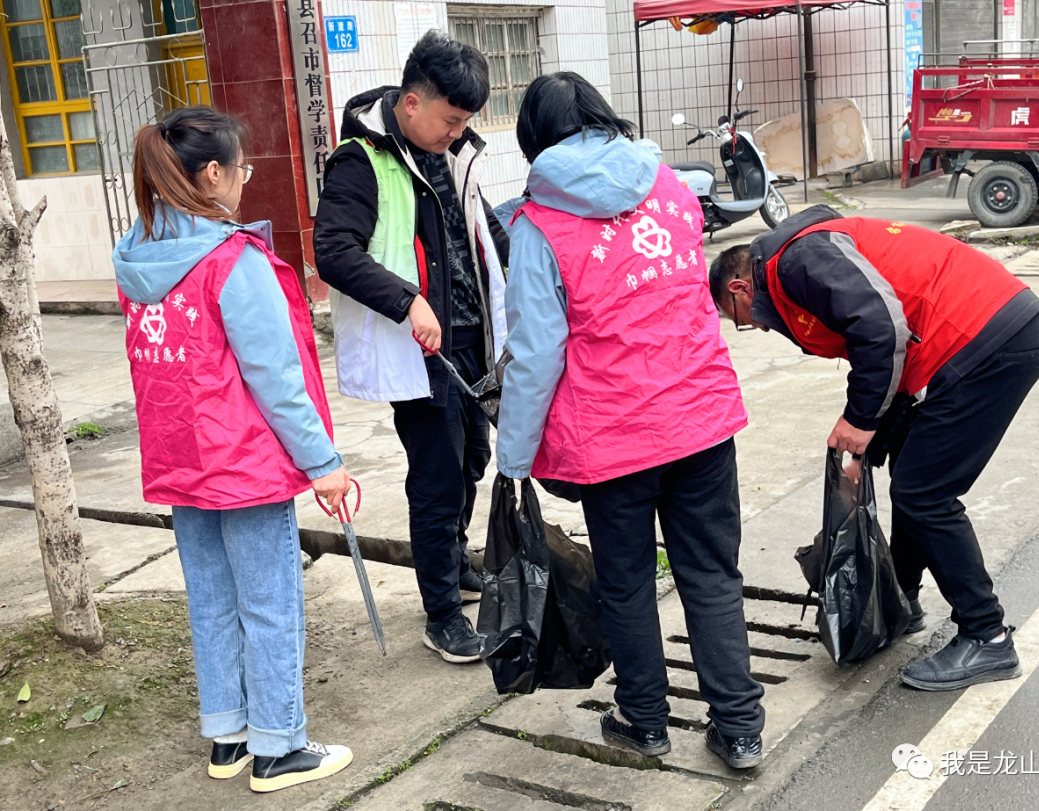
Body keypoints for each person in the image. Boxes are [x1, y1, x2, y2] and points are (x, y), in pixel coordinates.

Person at [496, 72, 766, 769]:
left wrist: (514, 456)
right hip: (700, 414)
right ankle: (738, 726)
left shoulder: (537, 225)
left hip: (613, 435)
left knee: (627, 580)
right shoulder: (672, 189)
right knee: (710, 570)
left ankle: (643, 718)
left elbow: (534, 353)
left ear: (533, 138)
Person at [711, 205, 1039, 692]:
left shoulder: (794, 263)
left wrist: (861, 419)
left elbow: (879, 328)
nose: (758, 327)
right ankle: (900, 599)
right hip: (981, 336)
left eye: (741, 319)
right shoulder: (804, 253)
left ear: (740, 288)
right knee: (910, 472)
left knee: (924, 494)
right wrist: (873, 436)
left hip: (983, 339)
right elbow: (875, 337)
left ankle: (987, 636)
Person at [114, 107, 353, 792]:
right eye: (242, 168)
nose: (246, 180)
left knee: (212, 600)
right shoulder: (229, 260)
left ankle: (230, 736)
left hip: (180, 458)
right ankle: (280, 745)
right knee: (270, 601)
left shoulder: (139, 258)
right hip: (244, 462)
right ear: (213, 173)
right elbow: (274, 379)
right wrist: (323, 464)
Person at [314, 30, 508, 665]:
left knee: (472, 460)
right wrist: (407, 300)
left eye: (464, 122)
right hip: (419, 351)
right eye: (450, 119)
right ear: (412, 102)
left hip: (471, 340)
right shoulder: (359, 161)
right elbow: (333, 251)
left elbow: (477, 231)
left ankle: (452, 564)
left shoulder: (449, 152)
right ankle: (442, 615)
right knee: (436, 478)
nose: (456, 132)